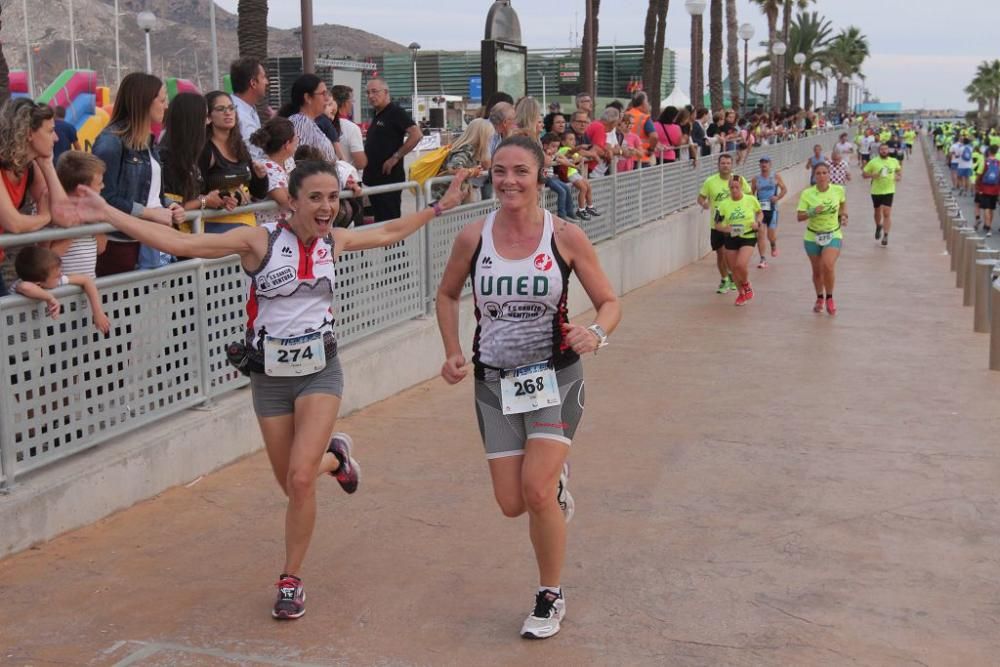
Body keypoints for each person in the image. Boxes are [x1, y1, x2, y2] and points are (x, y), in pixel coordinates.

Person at [73, 159, 472, 620]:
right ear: (294, 201)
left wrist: (439, 207)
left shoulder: (334, 240)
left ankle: (290, 579)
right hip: (269, 378)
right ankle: (337, 457)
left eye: (333, 198)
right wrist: (107, 210)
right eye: (316, 198)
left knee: (302, 479)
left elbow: (387, 232)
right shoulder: (258, 241)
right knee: (291, 482)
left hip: (321, 372)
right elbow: (180, 241)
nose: (327, 207)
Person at [435, 134, 621, 640]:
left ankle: (549, 595)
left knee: (535, 490)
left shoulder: (564, 237)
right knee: (512, 503)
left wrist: (595, 333)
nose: (509, 180)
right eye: (499, 171)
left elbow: (609, 302)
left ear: (542, 176)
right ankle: (555, 484)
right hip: (494, 382)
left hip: (554, 377)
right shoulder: (473, 236)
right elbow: (448, 294)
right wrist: (452, 349)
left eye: (521, 170)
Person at [92, 72, 186, 274]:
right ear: (144, 103)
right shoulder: (110, 142)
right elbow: (103, 198)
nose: (165, 106)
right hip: (121, 243)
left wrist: (170, 206)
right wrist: (152, 213)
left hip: (153, 238)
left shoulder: (148, 141)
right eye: (161, 101)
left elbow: (150, 192)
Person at [0, 99, 89, 295]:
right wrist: (45, 217)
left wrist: (48, 165)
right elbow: (14, 223)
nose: (56, 138)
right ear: (29, 134)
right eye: (50, 131)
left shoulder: (29, 167)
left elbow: (65, 218)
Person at [200, 91, 269, 233]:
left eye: (231, 108)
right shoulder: (205, 149)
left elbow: (258, 193)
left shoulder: (240, 146)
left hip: (246, 223)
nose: (228, 113)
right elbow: (197, 191)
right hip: (216, 226)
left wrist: (261, 176)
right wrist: (222, 198)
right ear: (208, 117)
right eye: (220, 109)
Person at [12, 246, 110, 334]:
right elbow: (25, 287)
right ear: (38, 284)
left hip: (38, 335)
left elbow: (86, 280)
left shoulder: (56, 281)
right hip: (17, 336)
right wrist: (50, 298)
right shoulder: (21, 284)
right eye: (56, 276)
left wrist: (98, 313)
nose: (61, 275)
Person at [363, 77, 422, 222]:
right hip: (374, 180)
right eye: (368, 92)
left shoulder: (395, 112)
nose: (370, 96)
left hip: (388, 179)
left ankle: (395, 246)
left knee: (390, 223)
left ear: (386, 92)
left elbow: (416, 134)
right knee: (379, 224)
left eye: (375, 92)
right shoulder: (377, 114)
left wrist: (395, 157)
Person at [797, 162, 848, 314]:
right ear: (814, 176)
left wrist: (844, 216)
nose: (822, 176)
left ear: (829, 174)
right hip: (812, 236)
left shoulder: (838, 190)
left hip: (833, 234)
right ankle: (820, 297)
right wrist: (812, 212)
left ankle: (830, 297)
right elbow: (799, 216)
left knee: (828, 265)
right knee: (817, 271)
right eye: (818, 173)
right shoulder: (807, 194)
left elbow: (843, 204)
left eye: (824, 172)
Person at [48, 151, 108, 277]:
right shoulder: (52, 212)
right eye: (99, 183)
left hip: (87, 285)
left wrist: (96, 222)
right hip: (61, 288)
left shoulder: (94, 211)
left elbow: (101, 249)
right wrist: (74, 225)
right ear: (82, 190)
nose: (103, 186)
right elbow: (50, 257)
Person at [698, 154, 751, 294]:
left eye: (728, 163)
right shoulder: (710, 181)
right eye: (723, 163)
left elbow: (749, 196)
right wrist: (704, 204)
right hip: (717, 224)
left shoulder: (738, 180)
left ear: (732, 165)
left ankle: (734, 277)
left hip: (735, 224)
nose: (725, 165)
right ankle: (724, 279)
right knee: (720, 253)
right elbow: (700, 198)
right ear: (718, 165)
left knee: (734, 253)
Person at [714, 176, 763, 306]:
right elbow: (717, 224)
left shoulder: (750, 200)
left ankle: (746, 284)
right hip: (731, 238)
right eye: (732, 187)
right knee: (733, 269)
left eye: (737, 187)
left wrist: (757, 223)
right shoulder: (723, 204)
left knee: (740, 265)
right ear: (728, 188)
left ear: (741, 186)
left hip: (748, 236)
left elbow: (760, 213)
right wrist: (726, 228)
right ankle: (741, 294)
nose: (734, 190)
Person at [249, 117, 299, 226]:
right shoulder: (267, 166)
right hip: (269, 230)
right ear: (286, 144)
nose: (297, 142)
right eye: (295, 139)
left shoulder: (288, 162)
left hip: (286, 228)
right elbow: (287, 201)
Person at [278, 75, 338, 164]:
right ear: (308, 98)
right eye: (323, 94)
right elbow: (298, 160)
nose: (327, 98)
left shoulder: (308, 122)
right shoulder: (300, 122)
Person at [431, 118, 492, 201]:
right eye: (489, 137)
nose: (489, 140)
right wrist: (472, 171)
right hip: (445, 196)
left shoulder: (469, 148)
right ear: (482, 136)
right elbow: (454, 167)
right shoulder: (467, 148)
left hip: (446, 195)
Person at [230, 57, 270, 161]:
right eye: (263, 77)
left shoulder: (249, 108)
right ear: (253, 83)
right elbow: (253, 156)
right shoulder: (236, 113)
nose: (267, 82)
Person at [862, 142, 902, 247]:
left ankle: (886, 235)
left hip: (889, 190)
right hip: (876, 191)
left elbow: (899, 171)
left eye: (886, 149)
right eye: (882, 149)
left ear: (888, 150)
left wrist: (898, 176)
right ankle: (878, 226)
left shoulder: (894, 161)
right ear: (879, 151)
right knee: (877, 212)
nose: (884, 151)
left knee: (887, 213)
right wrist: (872, 175)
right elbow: (864, 174)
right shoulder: (873, 162)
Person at [751, 155, 787, 268]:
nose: (764, 165)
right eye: (762, 163)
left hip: (772, 209)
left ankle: (773, 244)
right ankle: (762, 259)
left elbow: (784, 189)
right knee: (760, 234)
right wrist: (753, 205)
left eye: (766, 162)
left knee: (771, 235)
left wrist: (777, 197)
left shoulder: (775, 176)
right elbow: (751, 194)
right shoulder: (755, 179)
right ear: (759, 165)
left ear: (770, 164)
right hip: (760, 210)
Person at [557, 131, 596, 220]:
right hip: (569, 174)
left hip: (575, 172)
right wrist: (581, 147)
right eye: (570, 139)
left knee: (588, 186)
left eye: (574, 139)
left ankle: (590, 207)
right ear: (563, 142)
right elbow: (571, 152)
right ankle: (581, 209)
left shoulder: (574, 151)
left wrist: (580, 158)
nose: (573, 141)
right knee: (583, 188)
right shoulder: (563, 149)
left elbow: (578, 158)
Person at [330, 85, 367, 171]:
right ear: (346, 103)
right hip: (349, 179)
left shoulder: (322, 124)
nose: (352, 104)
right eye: (352, 100)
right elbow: (360, 163)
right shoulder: (352, 128)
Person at [541, 132, 575, 220]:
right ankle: (562, 215)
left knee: (567, 188)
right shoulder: (542, 153)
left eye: (557, 147)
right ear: (545, 146)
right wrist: (548, 154)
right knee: (562, 191)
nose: (555, 149)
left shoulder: (554, 154)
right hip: (546, 178)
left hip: (552, 177)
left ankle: (570, 212)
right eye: (553, 146)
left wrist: (575, 166)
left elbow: (564, 160)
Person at [623, 92, 658, 168]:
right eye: (647, 102)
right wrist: (651, 149)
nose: (648, 104)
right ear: (643, 103)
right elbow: (654, 137)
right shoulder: (644, 118)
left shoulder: (625, 115)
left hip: (625, 157)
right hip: (642, 157)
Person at [975, 144, 1000, 237]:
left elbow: (979, 174)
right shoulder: (998, 163)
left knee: (986, 208)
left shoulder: (985, 162)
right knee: (992, 208)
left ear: (989, 152)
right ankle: (989, 224)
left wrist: (977, 185)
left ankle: (987, 226)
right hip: (995, 189)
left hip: (985, 188)